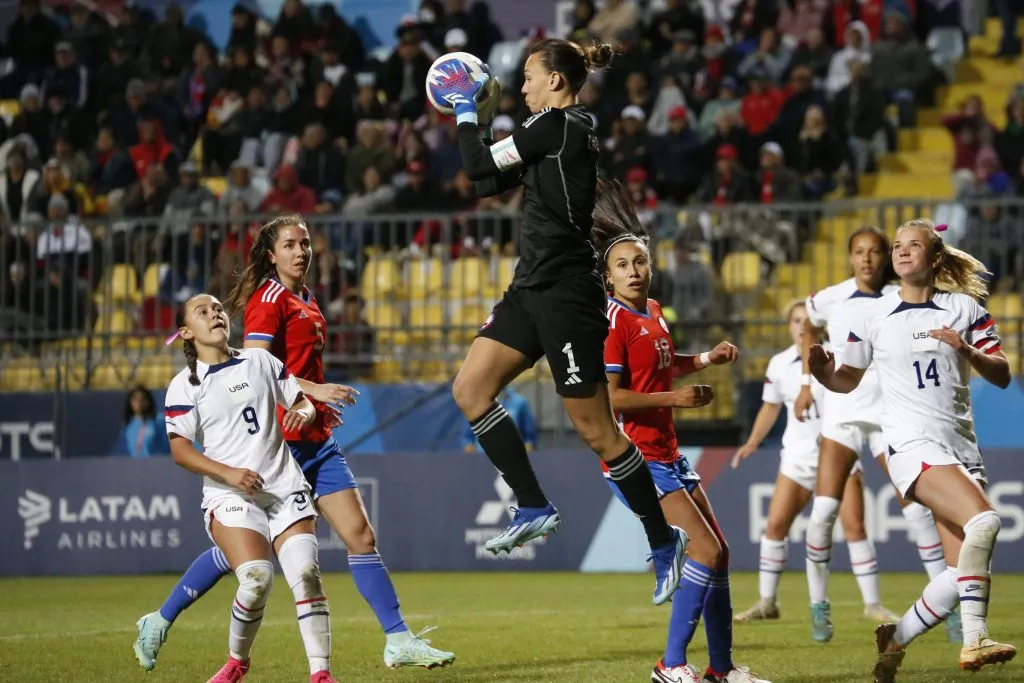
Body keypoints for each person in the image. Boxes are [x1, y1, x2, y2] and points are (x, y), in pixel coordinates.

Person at [133, 215, 454, 671]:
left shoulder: (305, 297)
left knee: (360, 537)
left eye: (305, 244)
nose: (300, 252)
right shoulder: (268, 300)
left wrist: (313, 405)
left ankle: (397, 639)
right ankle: (165, 619)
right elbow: (257, 364)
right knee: (248, 558)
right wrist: (310, 395)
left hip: (314, 436)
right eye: (289, 245)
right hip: (279, 442)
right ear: (272, 254)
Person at [437, 39, 686, 604]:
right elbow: (482, 180)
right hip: (530, 289)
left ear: (555, 81)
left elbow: (477, 162)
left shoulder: (559, 126)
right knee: (470, 388)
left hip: (568, 296)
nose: (521, 86)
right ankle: (531, 503)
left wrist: (465, 106)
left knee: (598, 432)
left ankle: (663, 538)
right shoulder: (555, 133)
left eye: (528, 77)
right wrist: (471, 119)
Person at [808, 219, 1017, 680]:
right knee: (985, 521)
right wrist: (824, 374)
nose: (901, 252)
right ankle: (975, 637)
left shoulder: (963, 308)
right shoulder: (873, 316)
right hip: (909, 444)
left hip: (960, 446)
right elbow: (847, 379)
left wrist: (968, 351)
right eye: (897, 246)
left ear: (935, 257)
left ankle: (895, 638)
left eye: (913, 245)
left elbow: (1002, 374)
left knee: (957, 569)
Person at [592, 180, 768, 683]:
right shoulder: (613, 322)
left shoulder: (652, 312)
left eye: (639, 262)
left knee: (722, 552)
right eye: (622, 265)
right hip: (634, 458)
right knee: (706, 552)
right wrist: (674, 400)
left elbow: (665, 369)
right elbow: (611, 399)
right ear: (607, 276)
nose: (633, 271)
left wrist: (707, 359)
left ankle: (722, 668)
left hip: (667, 454)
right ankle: (669, 664)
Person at [162, 294, 337, 683]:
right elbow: (180, 450)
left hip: (283, 484)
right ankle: (237, 661)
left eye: (219, 309)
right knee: (257, 578)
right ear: (187, 332)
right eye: (203, 312)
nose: (216, 314)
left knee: (306, 573)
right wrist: (228, 473)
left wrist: (302, 411)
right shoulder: (185, 385)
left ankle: (321, 675)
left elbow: (302, 402)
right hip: (231, 494)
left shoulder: (259, 361)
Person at [794, 227, 950, 642]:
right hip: (842, 412)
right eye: (859, 252)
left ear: (885, 257)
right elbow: (807, 324)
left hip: (888, 415)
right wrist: (808, 381)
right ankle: (818, 606)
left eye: (875, 252)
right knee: (824, 512)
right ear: (850, 257)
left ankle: (948, 605)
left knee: (916, 509)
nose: (866, 259)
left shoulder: (899, 297)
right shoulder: (830, 297)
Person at [732, 302, 881, 622]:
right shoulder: (779, 364)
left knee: (854, 527)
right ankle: (767, 602)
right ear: (788, 326)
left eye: (807, 321)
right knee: (774, 527)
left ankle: (872, 604)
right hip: (797, 460)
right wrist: (753, 442)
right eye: (796, 321)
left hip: (838, 455)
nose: (802, 326)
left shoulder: (835, 358)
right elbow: (771, 407)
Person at [461, 386, 537, 452]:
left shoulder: (520, 402)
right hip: (483, 457)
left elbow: (529, 436)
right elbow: (467, 436)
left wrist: (529, 446)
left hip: (513, 457)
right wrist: (469, 448)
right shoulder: (477, 403)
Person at [113, 385, 170, 457]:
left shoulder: (159, 421)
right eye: (135, 399)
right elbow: (120, 452)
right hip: (132, 466)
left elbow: (167, 447)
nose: (139, 403)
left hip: (156, 465)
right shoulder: (127, 425)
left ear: (148, 402)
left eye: (142, 399)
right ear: (130, 402)